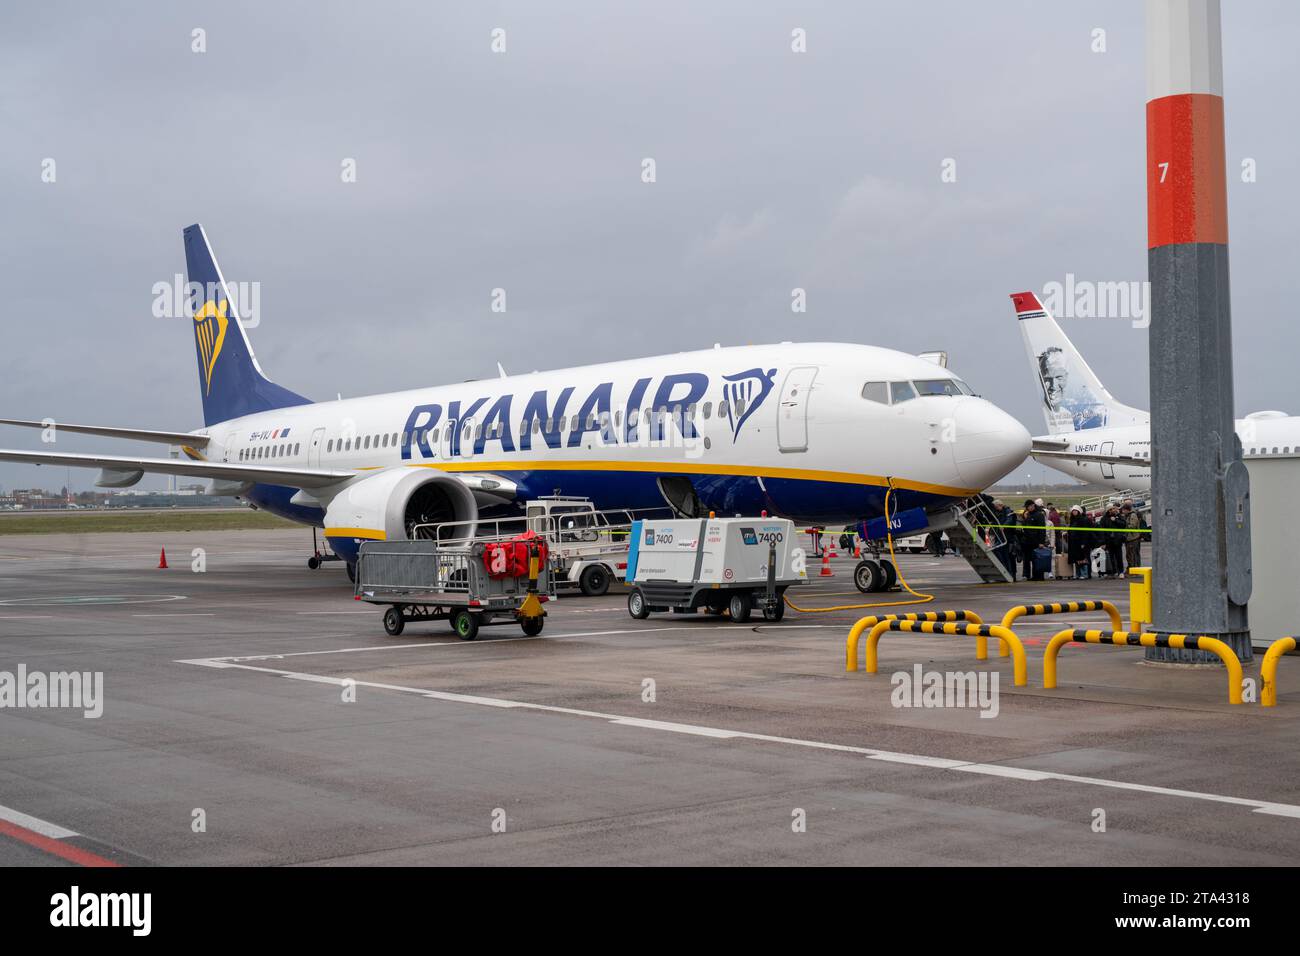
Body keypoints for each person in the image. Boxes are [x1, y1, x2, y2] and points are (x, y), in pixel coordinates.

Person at [1019, 499, 1048, 580]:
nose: (1026, 509)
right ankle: (1027, 575)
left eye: (1027, 507)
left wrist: (1041, 542)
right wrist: (1025, 518)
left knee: (1037, 560)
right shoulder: (1027, 514)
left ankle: (1038, 576)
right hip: (1027, 541)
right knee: (1027, 559)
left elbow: (1042, 529)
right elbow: (1024, 527)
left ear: (1032, 506)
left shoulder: (1039, 515)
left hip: (1036, 541)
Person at [1066, 505, 1094, 579]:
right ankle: (1078, 574)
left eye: (1075, 511)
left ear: (1079, 511)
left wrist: (1083, 543)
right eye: (1073, 511)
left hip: (1081, 542)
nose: (1074, 512)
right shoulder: (1073, 520)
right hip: (1074, 543)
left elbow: (1085, 532)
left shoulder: (1083, 520)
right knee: (1076, 559)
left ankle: (1085, 574)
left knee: (1083, 558)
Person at [1121, 502, 1145, 571]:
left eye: (1123, 510)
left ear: (1126, 509)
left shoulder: (1132, 515)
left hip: (1133, 538)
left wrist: (1124, 526)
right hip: (1130, 538)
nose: (1122, 511)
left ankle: (1134, 570)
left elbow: (1132, 526)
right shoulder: (1128, 515)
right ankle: (1133, 569)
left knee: (1132, 555)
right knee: (1131, 554)